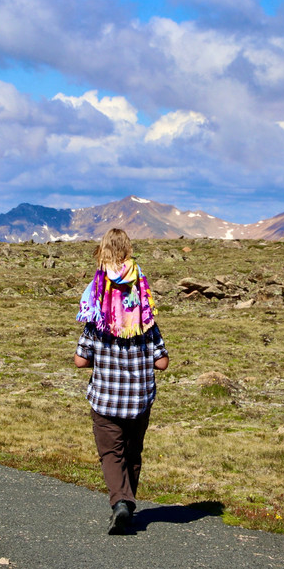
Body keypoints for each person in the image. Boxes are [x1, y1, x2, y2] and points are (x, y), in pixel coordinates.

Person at [74, 228, 169, 534]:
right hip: (140, 398)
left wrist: (99, 356)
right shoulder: (144, 314)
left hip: (105, 397)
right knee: (132, 451)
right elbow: (162, 362)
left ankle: (120, 504)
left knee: (111, 453)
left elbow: (80, 359)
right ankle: (127, 502)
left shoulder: (97, 314)